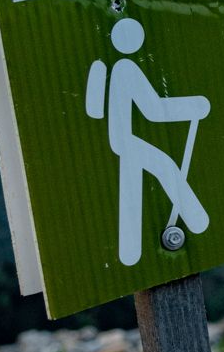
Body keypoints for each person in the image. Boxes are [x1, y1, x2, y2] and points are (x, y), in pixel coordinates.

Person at [85, 18, 210, 265]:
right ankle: (198, 221)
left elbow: (95, 110)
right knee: (166, 166)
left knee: (132, 187)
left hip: (119, 140)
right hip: (127, 140)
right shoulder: (127, 68)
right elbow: (153, 109)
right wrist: (194, 106)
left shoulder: (106, 67)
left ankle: (130, 252)